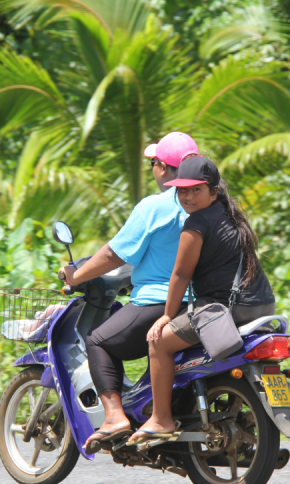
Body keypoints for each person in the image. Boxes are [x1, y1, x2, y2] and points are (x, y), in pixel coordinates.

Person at [58, 132, 199, 451]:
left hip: (158, 303)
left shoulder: (156, 206)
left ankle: (114, 417)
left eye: (154, 163)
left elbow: (114, 254)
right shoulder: (204, 203)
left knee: (97, 341)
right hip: (198, 306)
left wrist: (77, 275)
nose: (153, 169)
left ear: (162, 168)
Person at [128, 155, 276, 443]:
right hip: (261, 305)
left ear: (213, 190)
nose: (188, 196)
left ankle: (160, 419)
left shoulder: (197, 223)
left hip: (226, 310)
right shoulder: (231, 215)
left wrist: (166, 317)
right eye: (182, 190)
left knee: (158, 340)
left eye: (196, 190)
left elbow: (181, 275)